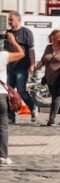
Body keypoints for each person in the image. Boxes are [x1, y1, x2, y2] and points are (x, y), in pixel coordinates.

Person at [4, 11, 37, 123]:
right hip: (10, 67)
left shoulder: (26, 33)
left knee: (21, 90)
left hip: (22, 67)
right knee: (9, 93)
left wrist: (32, 64)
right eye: (9, 19)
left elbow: (31, 50)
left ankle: (32, 107)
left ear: (18, 20)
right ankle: (11, 116)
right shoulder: (7, 33)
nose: (9, 22)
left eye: (11, 19)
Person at [0, 32, 26, 164]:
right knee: (3, 126)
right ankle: (3, 156)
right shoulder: (3, 56)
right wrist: (13, 41)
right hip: (1, 95)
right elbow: (21, 53)